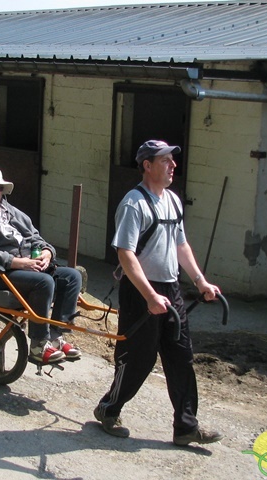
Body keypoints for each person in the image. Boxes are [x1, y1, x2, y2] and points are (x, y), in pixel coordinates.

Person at [94, 140, 223, 446]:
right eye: (165, 160)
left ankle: (186, 426)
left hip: (171, 289)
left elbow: (181, 245)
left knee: (181, 357)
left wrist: (200, 281)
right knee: (138, 358)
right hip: (141, 291)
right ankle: (109, 409)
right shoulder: (133, 203)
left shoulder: (174, 201)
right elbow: (125, 254)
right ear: (147, 166)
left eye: (173, 161)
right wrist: (150, 296)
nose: (173, 165)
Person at [0, 166, 82, 364]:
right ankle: (38, 345)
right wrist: (18, 263)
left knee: (72, 276)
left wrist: (47, 253)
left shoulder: (12, 212)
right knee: (44, 282)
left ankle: (55, 337)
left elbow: (36, 237)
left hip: (25, 267)